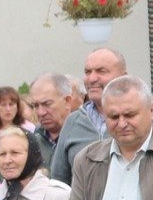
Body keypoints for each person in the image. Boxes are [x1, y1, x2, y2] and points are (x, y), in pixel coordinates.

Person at [51, 48, 124, 184]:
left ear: (123, 76)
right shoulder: (73, 121)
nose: (92, 79)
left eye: (101, 71)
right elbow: (59, 181)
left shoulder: (146, 114)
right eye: (88, 72)